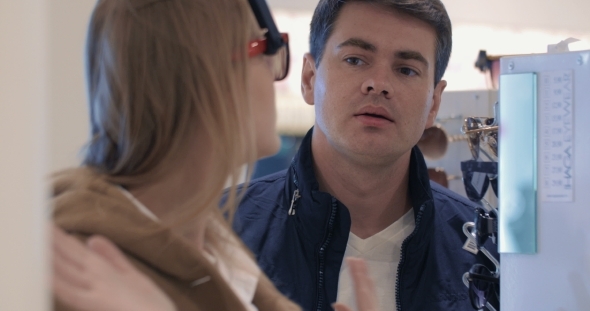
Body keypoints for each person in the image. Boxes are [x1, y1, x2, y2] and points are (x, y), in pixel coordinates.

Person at [232, 0, 498, 310]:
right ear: (309, 78)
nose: (379, 84)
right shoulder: (220, 233)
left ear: (434, 103)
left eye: (406, 70)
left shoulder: (488, 258)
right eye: (355, 60)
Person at [51, 0, 300, 310]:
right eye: (266, 46)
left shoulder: (218, 252)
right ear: (206, 75)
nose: (274, 69)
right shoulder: (77, 271)